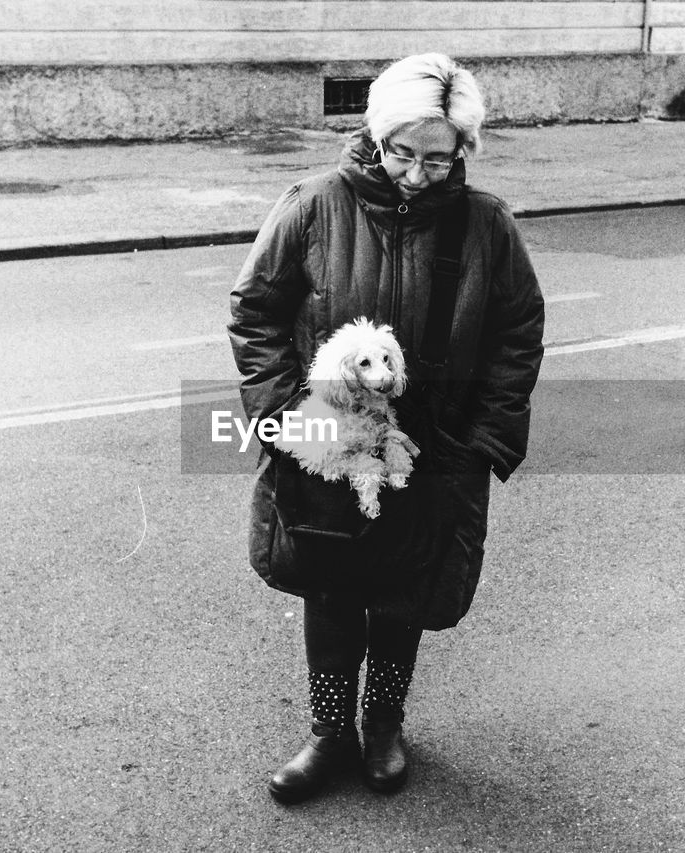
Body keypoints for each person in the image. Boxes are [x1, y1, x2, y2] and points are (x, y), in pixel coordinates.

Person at [227, 52, 544, 805]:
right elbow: (255, 311)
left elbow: (518, 334)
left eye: (438, 158)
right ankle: (329, 733)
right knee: (331, 591)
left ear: (461, 151)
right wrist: (282, 421)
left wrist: (485, 443)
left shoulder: (487, 225)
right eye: (404, 152)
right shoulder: (314, 203)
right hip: (329, 448)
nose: (416, 173)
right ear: (376, 135)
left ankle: (383, 725)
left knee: (405, 594)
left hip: (435, 453)